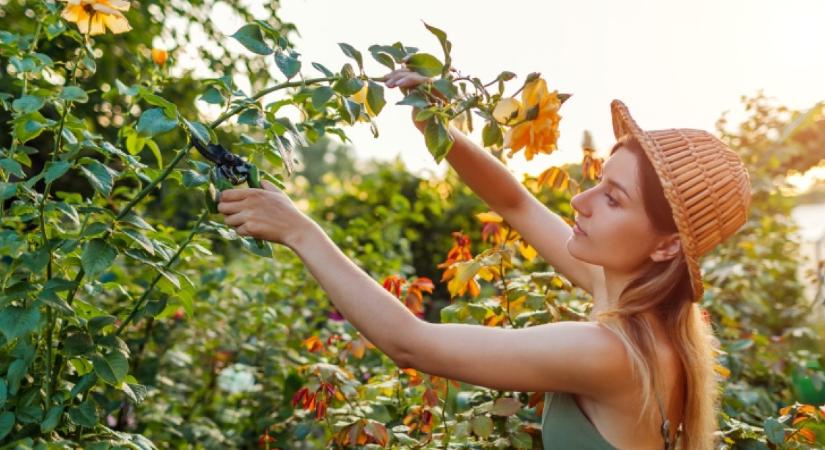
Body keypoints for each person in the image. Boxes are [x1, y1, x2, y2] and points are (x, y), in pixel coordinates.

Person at [216, 68, 751, 450]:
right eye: (597, 182)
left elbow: (411, 343)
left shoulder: (610, 352)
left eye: (613, 199)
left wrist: (300, 231)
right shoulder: (643, 312)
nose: (579, 201)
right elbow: (515, 203)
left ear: (666, 246)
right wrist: (437, 126)